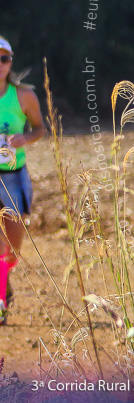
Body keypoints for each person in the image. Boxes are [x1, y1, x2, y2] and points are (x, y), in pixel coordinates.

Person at [0, 37, 45, 325]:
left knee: (13, 248)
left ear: (10, 63)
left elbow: (41, 128)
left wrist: (24, 138)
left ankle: (5, 277)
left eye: (4, 59)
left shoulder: (24, 96)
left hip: (14, 178)